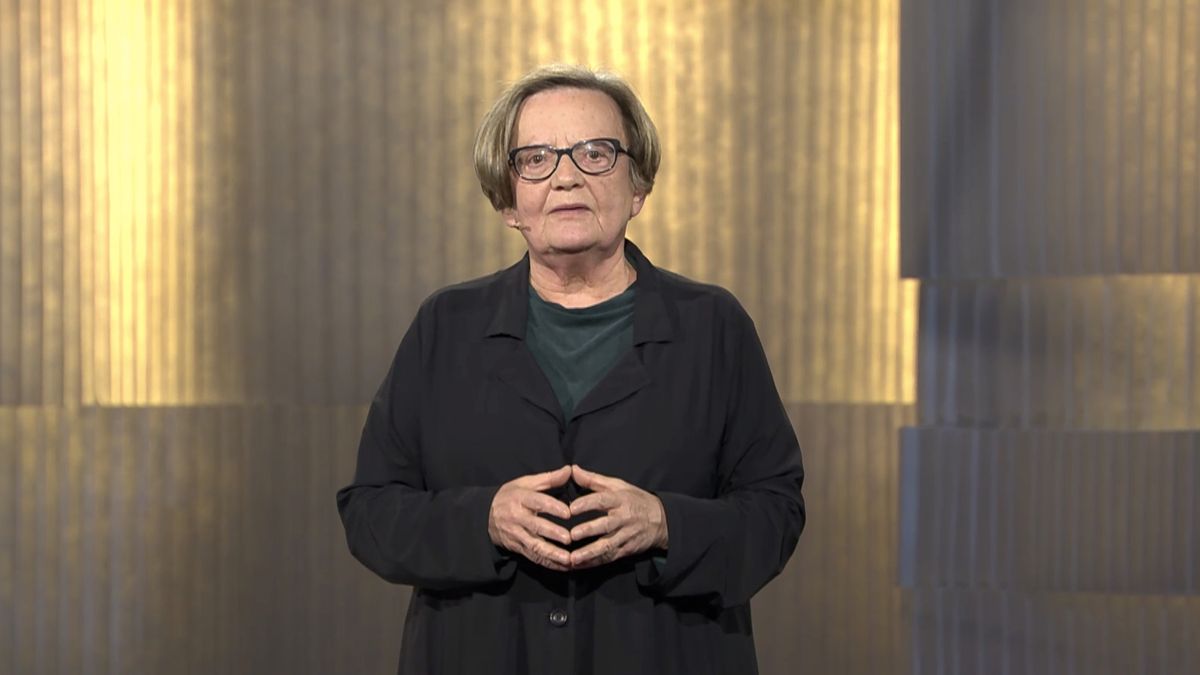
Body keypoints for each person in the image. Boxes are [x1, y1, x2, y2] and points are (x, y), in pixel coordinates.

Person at [336, 64, 805, 675]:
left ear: (638, 187)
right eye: (535, 159)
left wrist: (668, 524)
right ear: (508, 199)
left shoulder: (712, 326)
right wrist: (484, 519)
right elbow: (371, 511)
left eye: (595, 153)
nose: (566, 178)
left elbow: (775, 512)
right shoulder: (445, 325)